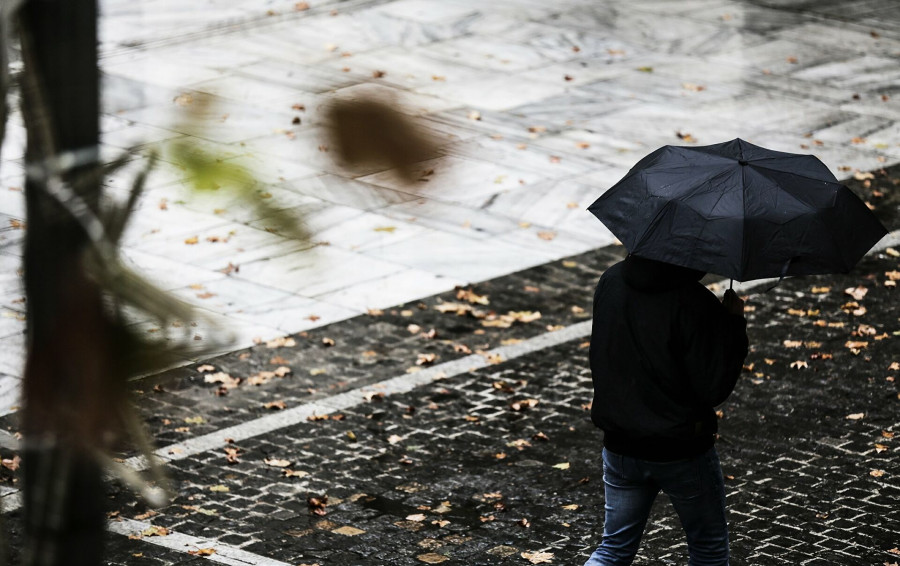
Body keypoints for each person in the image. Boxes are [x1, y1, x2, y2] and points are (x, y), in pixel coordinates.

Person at [585, 254, 748, 566]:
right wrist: (732, 325)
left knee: (613, 550)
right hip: (681, 450)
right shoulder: (694, 302)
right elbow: (713, 388)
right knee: (708, 550)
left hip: (621, 445)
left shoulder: (612, 280)